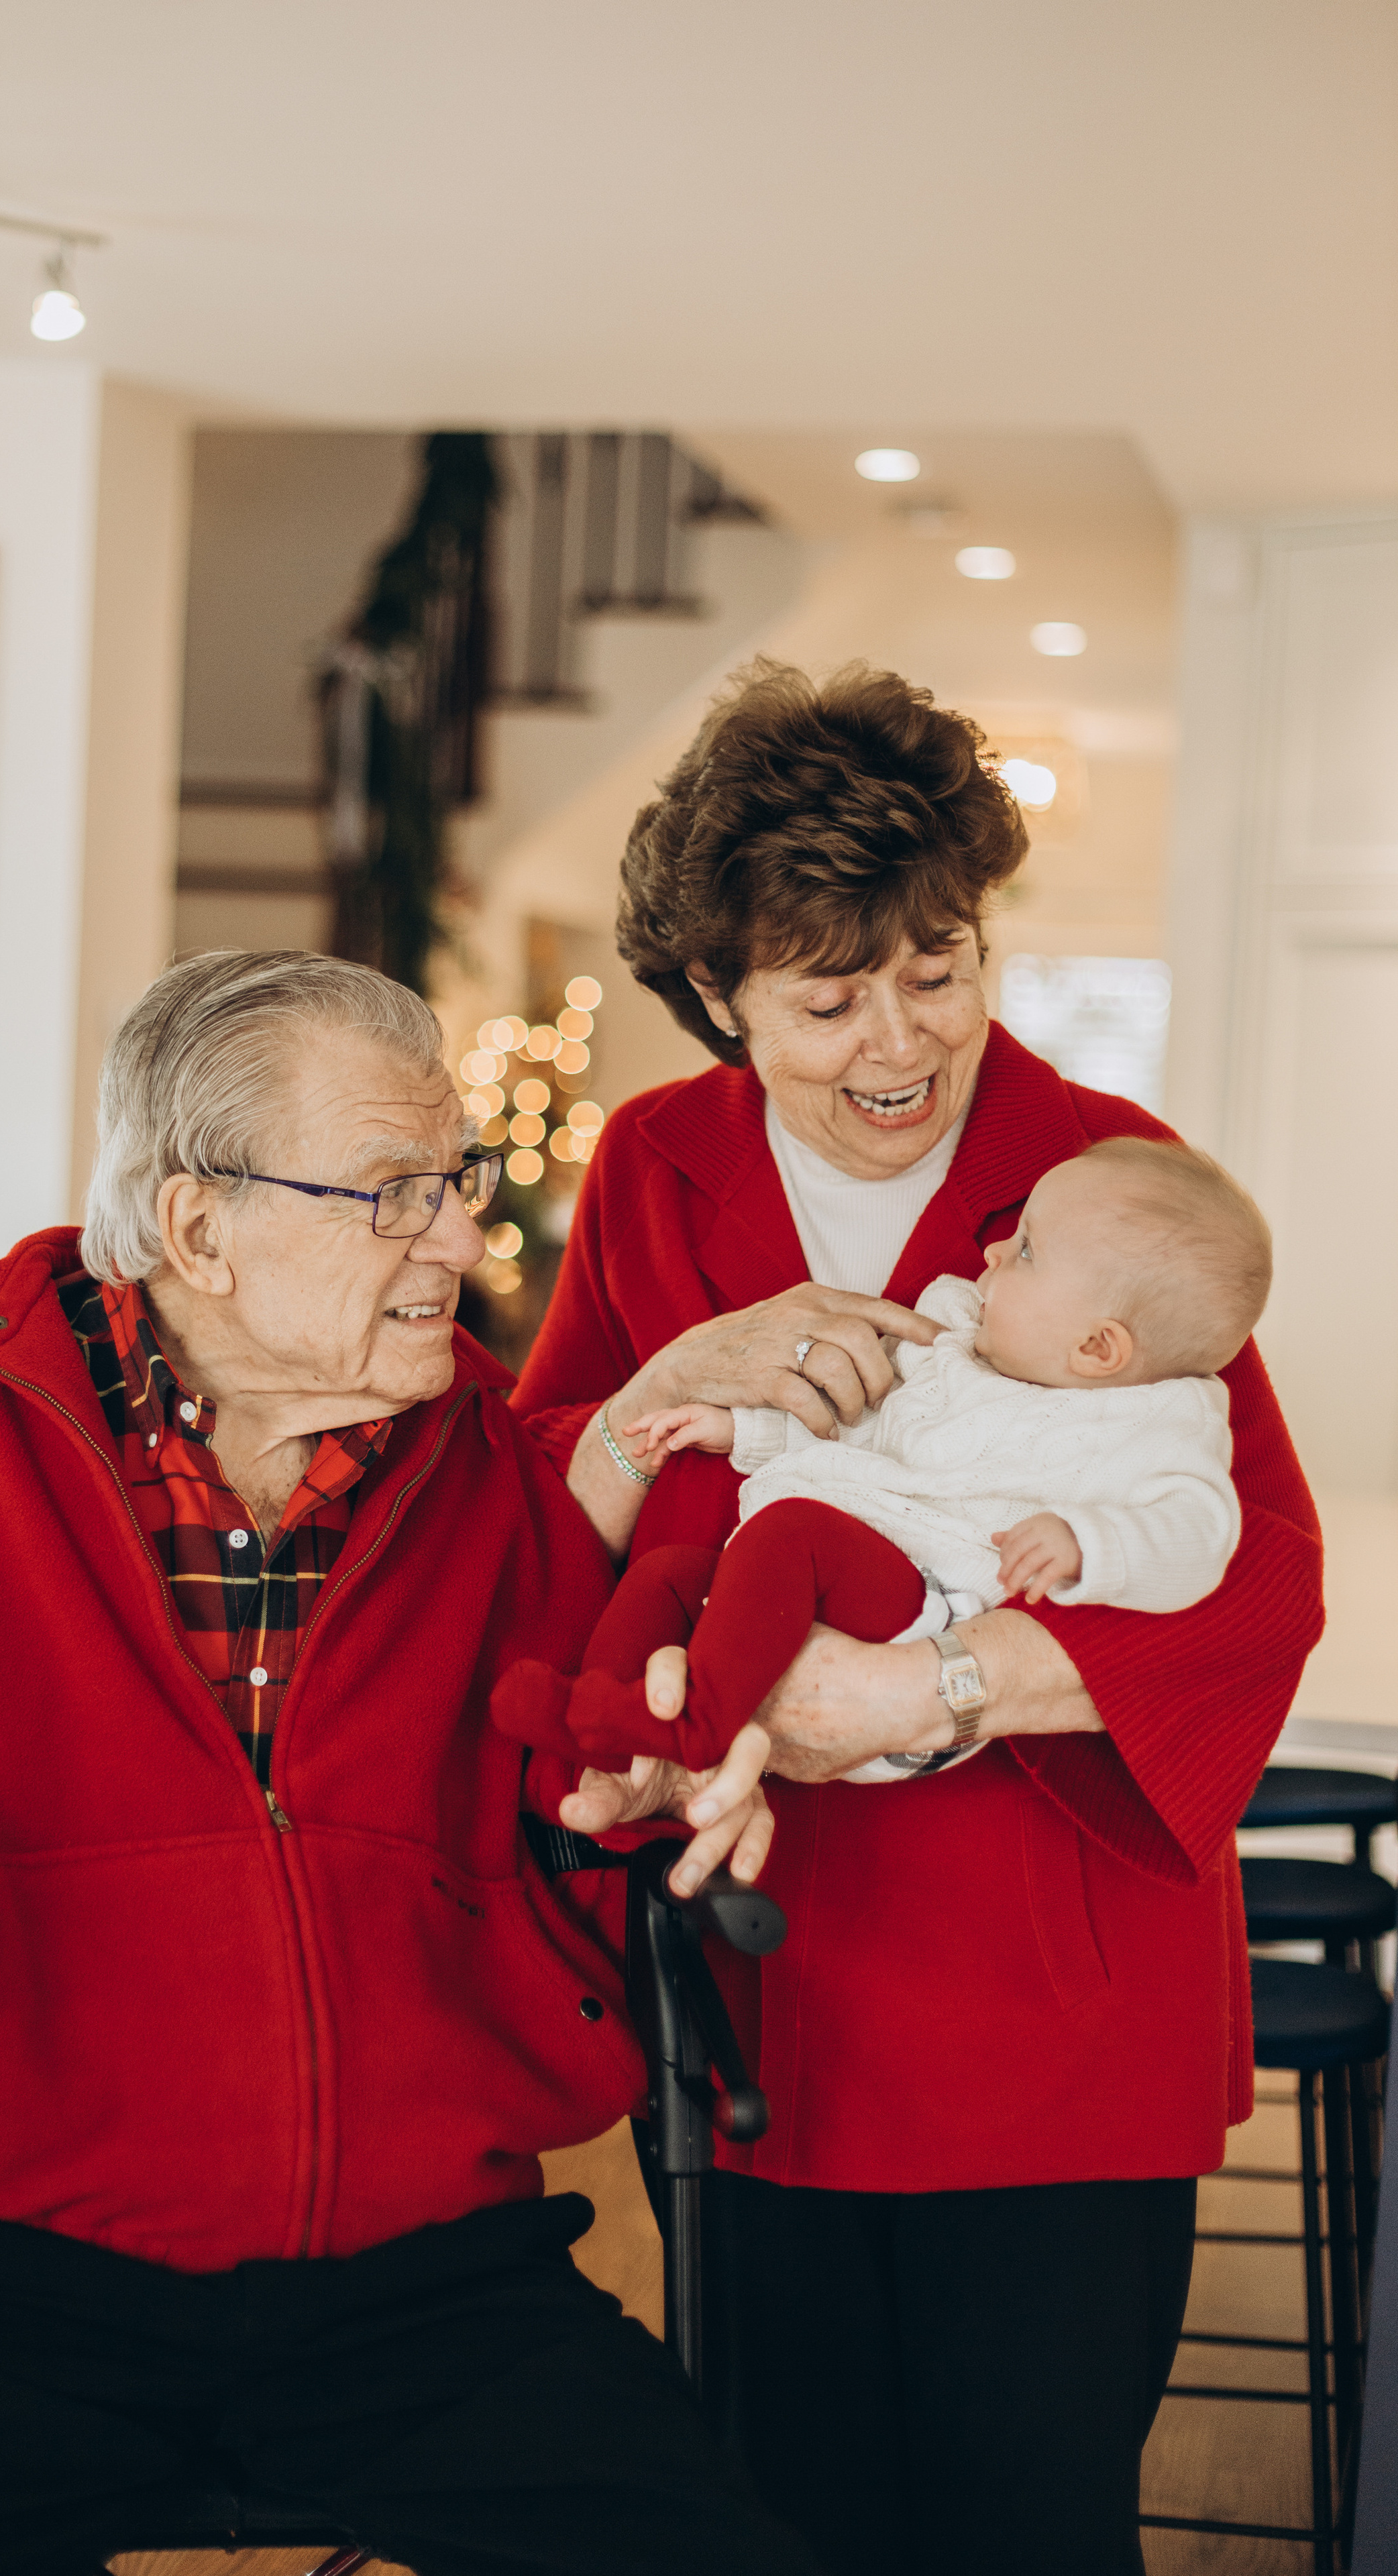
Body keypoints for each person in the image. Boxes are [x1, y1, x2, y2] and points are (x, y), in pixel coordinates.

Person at [0, 951, 810, 2576]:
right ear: (199, 1226)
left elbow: (593, 1765)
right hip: (11, 2281)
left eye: (454, 1180)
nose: (458, 1238)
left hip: (432, 2281)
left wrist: (657, 1784)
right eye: (394, 1191)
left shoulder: (487, 1461)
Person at [512, 660, 1326, 2576]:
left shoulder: (1107, 1179)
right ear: (717, 993)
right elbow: (544, 1501)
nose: (900, 1041)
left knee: (1024, 2519)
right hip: (754, 1984)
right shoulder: (654, 1168)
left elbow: (1257, 1574)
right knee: (781, 2512)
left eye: (937, 968)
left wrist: (919, 1688)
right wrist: (672, 1382)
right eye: (827, 996)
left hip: (1049, 1990)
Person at [495, 1134, 1260, 1778]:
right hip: (832, 1573)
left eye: (1026, 1250)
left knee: (791, 1533)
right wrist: (740, 1432)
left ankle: (700, 1729)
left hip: (929, 1609)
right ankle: (601, 1717)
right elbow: (859, 1435)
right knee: (672, 1577)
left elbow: (1200, 1532)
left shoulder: (1153, 1421)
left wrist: (1087, 1542)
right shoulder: (960, 1348)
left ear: (1097, 1347)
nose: (995, 1248)